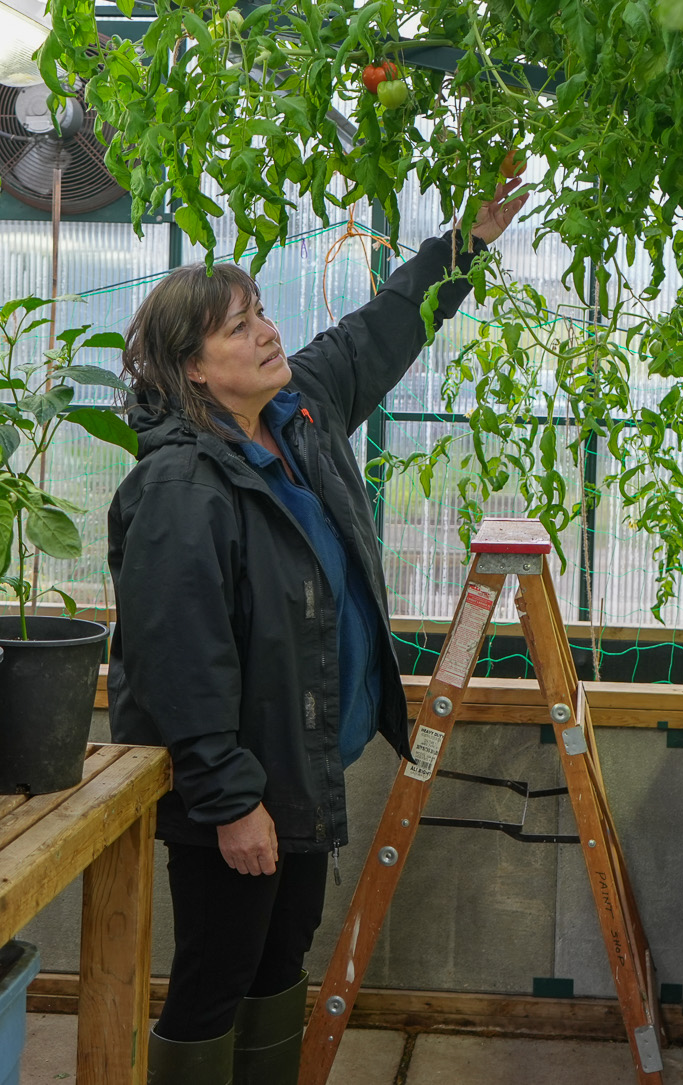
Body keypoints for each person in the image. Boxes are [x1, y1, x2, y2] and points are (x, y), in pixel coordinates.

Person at [107, 164, 528, 1085]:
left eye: (261, 311)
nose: (267, 331)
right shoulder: (184, 484)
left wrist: (464, 247)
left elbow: (382, 329)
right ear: (191, 368)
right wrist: (227, 801)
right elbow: (179, 656)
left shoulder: (297, 415)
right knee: (219, 973)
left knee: (276, 964)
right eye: (239, 326)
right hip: (241, 787)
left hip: (296, 769)